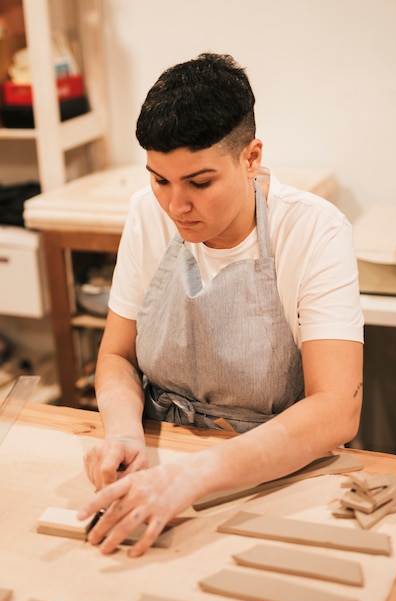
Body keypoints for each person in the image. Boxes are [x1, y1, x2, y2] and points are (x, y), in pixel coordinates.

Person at [78, 52, 364, 557]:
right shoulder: (148, 214)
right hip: (163, 458)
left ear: (251, 157)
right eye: (160, 179)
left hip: (275, 472)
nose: (176, 206)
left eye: (200, 183)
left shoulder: (314, 230)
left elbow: (337, 409)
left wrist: (193, 476)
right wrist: (124, 432)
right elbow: (116, 357)